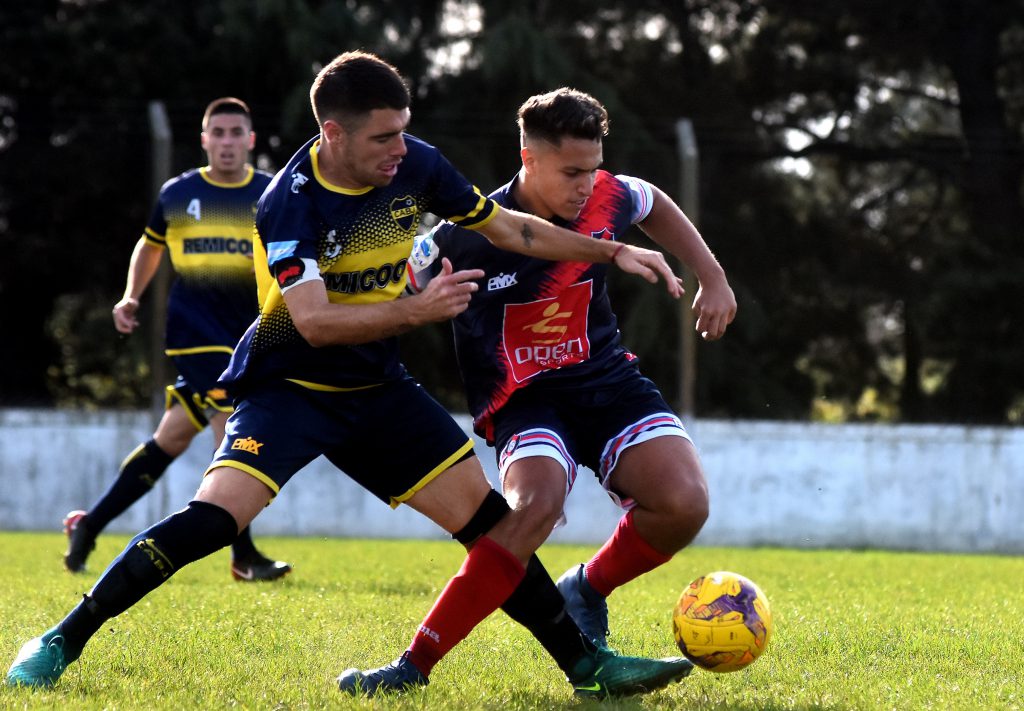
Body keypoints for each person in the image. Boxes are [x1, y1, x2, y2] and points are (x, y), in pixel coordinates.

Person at [8, 52, 693, 697]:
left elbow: (512, 229)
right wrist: (415, 309)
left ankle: (586, 664)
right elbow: (312, 322)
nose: (401, 148)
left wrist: (608, 253)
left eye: (405, 132)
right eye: (384, 137)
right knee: (213, 520)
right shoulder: (289, 202)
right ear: (333, 133)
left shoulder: (417, 165)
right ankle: (62, 639)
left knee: (493, 525)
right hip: (289, 389)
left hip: (377, 389)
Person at [405, 88, 737, 648]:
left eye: (594, 170)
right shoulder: (462, 236)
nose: (587, 186)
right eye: (572, 172)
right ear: (528, 158)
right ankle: (418, 659)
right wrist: (418, 302)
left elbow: (651, 200)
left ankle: (585, 588)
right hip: (525, 401)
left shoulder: (605, 198)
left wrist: (714, 277)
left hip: (607, 382)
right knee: (534, 508)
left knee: (686, 505)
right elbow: (394, 292)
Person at [61, 98, 291, 583]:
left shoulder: (271, 194)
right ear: (204, 139)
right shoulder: (178, 193)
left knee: (171, 438)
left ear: (250, 140)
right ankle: (244, 554)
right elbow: (150, 244)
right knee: (233, 427)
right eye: (218, 133)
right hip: (194, 335)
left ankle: (89, 525)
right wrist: (130, 298)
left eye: (236, 133)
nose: (227, 142)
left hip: (249, 336)